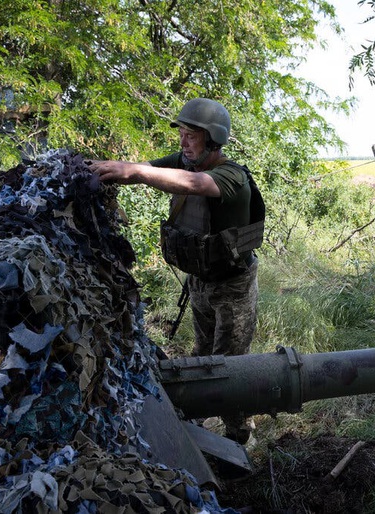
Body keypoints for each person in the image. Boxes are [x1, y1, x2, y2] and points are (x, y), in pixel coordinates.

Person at [89, 98, 264, 444]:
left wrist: (137, 172)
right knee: (203, 354)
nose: (183, 143)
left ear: (213, 140)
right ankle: (198, 423)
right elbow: (144, 170)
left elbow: (193, 184)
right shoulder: (186, 161)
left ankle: (239, 435)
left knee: (229, 367)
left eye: (191, 136)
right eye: (181, 135)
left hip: (233, 287)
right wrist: (100, 170)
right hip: (199, 282)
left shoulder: (232, 176)